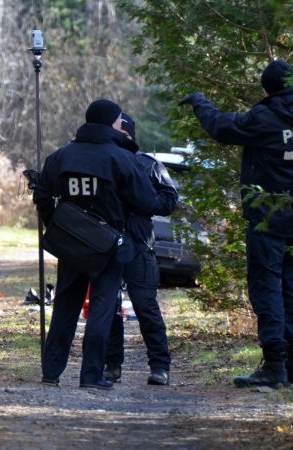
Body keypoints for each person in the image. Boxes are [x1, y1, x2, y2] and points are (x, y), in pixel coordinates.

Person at [178, 60, 293, 388]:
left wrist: (199, 101)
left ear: (268, 89)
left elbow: (220, 127)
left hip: (269, 216)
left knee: (268, 284)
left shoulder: (266, 117)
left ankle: (275, 365)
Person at [33, 99, 176, 390]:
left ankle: (51, 372)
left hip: (72, 246)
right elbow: (147, 202)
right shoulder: (122, 159)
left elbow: (42, 196)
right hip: (110, 248)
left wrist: (58, 229)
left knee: (65, 308)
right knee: (101, 310)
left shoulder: (60, 157)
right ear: (112, 124)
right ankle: (91, 376)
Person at [104, 113, 178, 386]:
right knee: (108, 308)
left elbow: (169, 201)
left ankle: (160, 366)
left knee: (145, 306)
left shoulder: (148, 164)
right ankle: (111, 365)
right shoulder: (100, 162)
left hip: (138, 245)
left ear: (128, 135)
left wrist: (142, 200)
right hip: (105, 243)